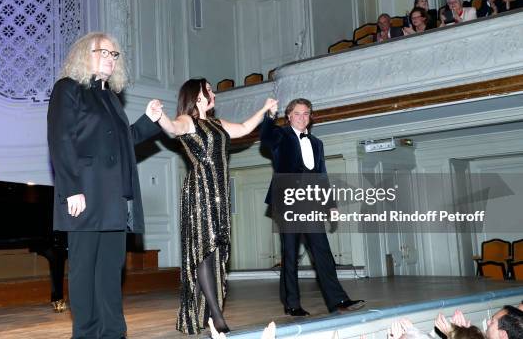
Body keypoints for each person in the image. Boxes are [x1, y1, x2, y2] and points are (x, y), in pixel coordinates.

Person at [47, 32, 163, 339]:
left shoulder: (110, 98)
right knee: (84, 269)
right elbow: (61, 139)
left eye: (114, 55)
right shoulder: (68, 89)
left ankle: (113, 331)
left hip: (115, 197)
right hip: (84, 193)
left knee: (111, 270)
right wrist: (71, 188)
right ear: (85, 54)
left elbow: (124, 142)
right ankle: (86, 333)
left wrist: (148, 121)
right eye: (104, 53)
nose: (111, 59)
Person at [155, 78, 278, 335]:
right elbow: (172, 129)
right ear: (196, 95)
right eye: (208, 89)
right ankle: (217, 316)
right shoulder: (188, 121)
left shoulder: (217, 124)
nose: (213, 93)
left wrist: (264, 109)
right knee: (204, 251)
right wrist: (160, 117)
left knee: (216, 253)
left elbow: (244, 127)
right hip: (199, 193)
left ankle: (210, 313)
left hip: (219, 194)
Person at [260, 98, 365, 316]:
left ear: (311, 116)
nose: (302, 117)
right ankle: (292, 304)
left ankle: (338, 300)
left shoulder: (317, 143)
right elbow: (266, 138)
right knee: (290, 254)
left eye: (306, 113)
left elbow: (322, 176)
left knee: (322, 251)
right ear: (289, 116)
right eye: (297, 113)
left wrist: (330, 204)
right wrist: (269, 116)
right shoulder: (281, 135)